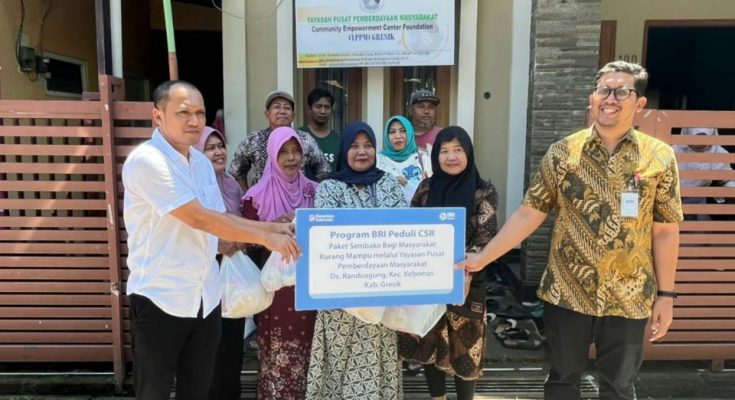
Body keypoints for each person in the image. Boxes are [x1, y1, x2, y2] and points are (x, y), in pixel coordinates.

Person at [457, 61, 683, 400]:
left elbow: (665, 230)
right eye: (604, 90)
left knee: (619, 387)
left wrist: (666, 296)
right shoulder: (563, 153)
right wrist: (483, 258)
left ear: (639, 103)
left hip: (630, 295)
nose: (611, 98)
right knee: (562, 382)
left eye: (622, 91)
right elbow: (529, 213)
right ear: (592, 98)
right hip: (567, 292)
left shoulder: (659, 157)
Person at [122, 80, 299, 400]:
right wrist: (265, 236)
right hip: (160, 297)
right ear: (158, 116)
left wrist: (272, 229)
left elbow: (221, 219)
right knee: (153, 393)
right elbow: (198, 218)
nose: (194, 121)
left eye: (200, 113)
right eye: (184, 113)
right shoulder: (147, 161)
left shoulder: (201, 163)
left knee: (199, 390)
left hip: (206, 298)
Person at [305, 121, 408, 400]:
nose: (362, 152)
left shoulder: (389, 184)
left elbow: (403, 234)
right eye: (354, 146)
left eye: (368, 145)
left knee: (376, 356)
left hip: (380, 294)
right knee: (337, 360)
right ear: (344, 150)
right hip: (338, 298)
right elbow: (324, 239)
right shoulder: (329, 188)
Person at [398, 126, 498, 400]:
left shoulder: (483, 191)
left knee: (466, 347)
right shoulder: (426, 189)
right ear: (436, 156)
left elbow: (486, 236)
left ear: (468, 153)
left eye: (458, 150)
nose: (451, 157)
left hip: (468, 283)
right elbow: (412, 229)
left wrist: (466, 272)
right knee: (431, 342)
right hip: (429, 281)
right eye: (444, 151)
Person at [241, 127, 319, 399]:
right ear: (272, 156)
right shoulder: (255, 196)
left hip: (309, 284)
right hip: (275, 286)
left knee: (310, 343)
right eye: (283, 152)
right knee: (277, 346)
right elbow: (248, 244)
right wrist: (272, 228)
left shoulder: (315, 192)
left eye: (296, 151)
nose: (291, 158)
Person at [191, 126, 247, 400]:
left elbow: (241, 223)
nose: (218, 152)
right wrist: (217, 245)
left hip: (233, 277)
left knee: (233, 346)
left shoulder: (233, 186)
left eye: (220, 146)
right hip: (205, 280)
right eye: (209, 148)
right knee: (209, 348)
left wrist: (242, 239)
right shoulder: (192, 188)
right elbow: (189, 231)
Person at [229, 90, 332, 190]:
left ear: (293, 115)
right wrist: (246, 196)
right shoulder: (254, 139)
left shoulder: (304, 139)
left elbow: (324, 170)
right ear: (267, 113)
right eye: (277, 107)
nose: (282, 111)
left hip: (296, 198)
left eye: (287, 108)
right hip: (261, 200)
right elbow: (236, 170)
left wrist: (316, 196)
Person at [672, 127, 735, 221]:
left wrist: (727, 190)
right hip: (673, 201)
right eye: (696, 137)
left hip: (700, 202)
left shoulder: (719, 153)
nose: (700, 142)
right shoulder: (674, 150)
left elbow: (727, 180)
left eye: (703, 137)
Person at [377, 115, 428, 203]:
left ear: (410, 133)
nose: (398, 136)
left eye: (403, 131)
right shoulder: (378, 160)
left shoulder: (423, 158)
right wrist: (390, 181)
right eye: (392, 132)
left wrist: (427, 183)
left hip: (417, 210)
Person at [299, 88, 341, 172]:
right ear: (309, 109)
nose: (323, 111)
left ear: (331, 111)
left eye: (327, 107)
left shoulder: (339, 139)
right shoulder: (298, 135)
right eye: (318, 106)